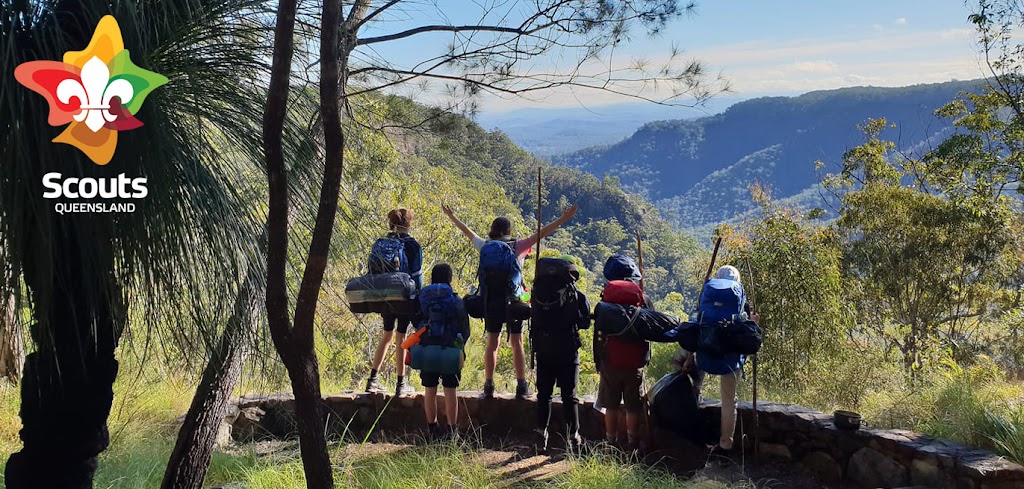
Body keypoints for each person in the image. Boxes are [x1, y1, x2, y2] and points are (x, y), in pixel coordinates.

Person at [441, 203, 578, 399]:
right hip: (515, 303)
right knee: (517, 343)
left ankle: (488, 386)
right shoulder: (518, 246)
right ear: (509, 231)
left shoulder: (485, 246)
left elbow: (467, 232)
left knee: (492, 343)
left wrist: (452, 216)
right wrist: (565, 217)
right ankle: (521, 386)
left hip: (490, 303)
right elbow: (543, 233)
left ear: (492, 231)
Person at [681, 264, 760, 452]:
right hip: (730, 361)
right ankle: (726, 445)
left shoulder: (705, 301)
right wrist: (754, 323)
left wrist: (689, 358)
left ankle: (693, 434)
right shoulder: (742, 305)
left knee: (694, 392)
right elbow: (749, 337)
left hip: (704, 356)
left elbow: (696, 329)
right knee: (728, 401)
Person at [530, 256, 590, 451]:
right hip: (567, 348)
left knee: (544, 395)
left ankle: (540, 435)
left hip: (544, 348)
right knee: (569, 395)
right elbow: (585, 323)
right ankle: (574, 438)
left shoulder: (537, 292)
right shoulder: (577, 295)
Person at [594, 254, 652, 452]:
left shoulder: (604, 301)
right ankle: (633, 443)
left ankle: (611, 443)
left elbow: (598, 334)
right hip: (635, 361)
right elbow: (650, 329)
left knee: (610, 403)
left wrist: (598, 361)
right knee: (633, 405)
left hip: (610, 361)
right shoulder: (643, 300)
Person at [365, 208, 423, 397]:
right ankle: (401, 384)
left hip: (385, 294)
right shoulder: (413, 245)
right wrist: (419, 299)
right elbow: (417, 276)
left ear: (391, 224)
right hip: (404, 296)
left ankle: (372, 380)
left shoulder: (382, 243)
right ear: (409, 224)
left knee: (387, 335)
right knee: (401, 337)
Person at [410, 264, 471, 440]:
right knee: (450, 390)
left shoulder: (423, 297)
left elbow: (416, 321)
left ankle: (432, 429)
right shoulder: (455, 299)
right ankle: (453, 431)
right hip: (449, 350)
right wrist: (459, 347)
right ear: (449, 279)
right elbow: (464, 329)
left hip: (427, 348)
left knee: (430, 389)